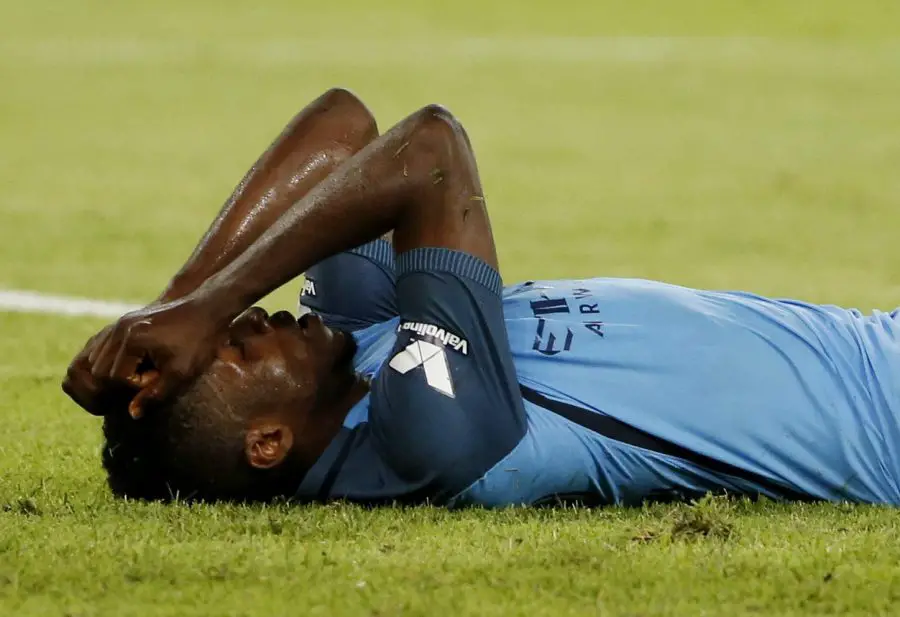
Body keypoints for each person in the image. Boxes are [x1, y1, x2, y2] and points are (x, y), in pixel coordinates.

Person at [63, 88, 900, 507]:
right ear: (268, 442)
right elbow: (431, 150)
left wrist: (176, 302)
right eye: (238, 348)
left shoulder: (353, 346)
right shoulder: (425, 438)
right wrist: (208, 308)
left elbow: (345, 127)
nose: (248, 319)